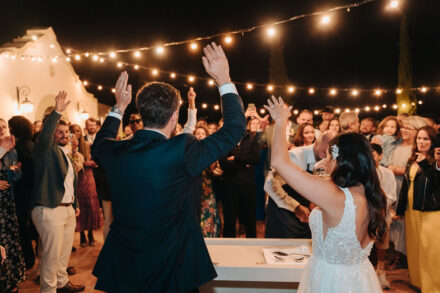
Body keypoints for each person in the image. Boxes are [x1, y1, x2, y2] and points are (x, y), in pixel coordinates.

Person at [91, 43, 246, 293]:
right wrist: (224, 79)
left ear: (141, 112)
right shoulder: (181, 150)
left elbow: (98, 144)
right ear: (174, 116)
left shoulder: (113, 151)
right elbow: (235, 129)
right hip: (172, 269)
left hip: (125, 268)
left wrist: (118, 107)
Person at [264, 96, 386, 292]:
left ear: (339, 160)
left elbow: (279, 162)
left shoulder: (334, 196)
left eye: (328, 156)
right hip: (361, 278)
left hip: (331, 280)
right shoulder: (373, 191)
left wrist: (280, 121)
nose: (325, 162)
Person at [31, 91, 85, 293]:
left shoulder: (66, 153)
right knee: (51, 257)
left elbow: (71, 183)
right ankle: (49, 290)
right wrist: (56, 112)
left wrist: (75, 206)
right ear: (51, 132)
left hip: (67, 209)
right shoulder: (44, 150)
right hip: (49, 209)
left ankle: (62, 284)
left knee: (63, 255)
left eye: (66, 132)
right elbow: (45, 137)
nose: (64, 135)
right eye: (59, 132)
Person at [264, 131, 336, 239]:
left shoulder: (329, 160)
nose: (326, 159)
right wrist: (295, 206)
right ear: (316, 144)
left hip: (306, 215)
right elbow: (270, 184)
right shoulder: (296, 156)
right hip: (283, 213)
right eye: (324, 153)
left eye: (330, 156)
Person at [396, 126, 440, 292]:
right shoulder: (412, 159)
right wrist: (400, 209)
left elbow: (436, 183)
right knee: (415, 250)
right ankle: (420, 282)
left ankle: (434, 286)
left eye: (426, 139)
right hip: (411, 211)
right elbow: (406, 185)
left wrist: (427, 164)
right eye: (419, 139)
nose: (421, 142)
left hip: (430, 212)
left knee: (431, 251)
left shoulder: (436, 160)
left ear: (433, 141)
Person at [387, 116, 427, 270]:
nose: (402, 130)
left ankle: (401, 256)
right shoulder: (394, 145)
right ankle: (395, 252)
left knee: (405, 222)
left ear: (417, 131)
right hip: (393, 188)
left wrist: (399, 170)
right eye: (402, 127)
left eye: (407, 128)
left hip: (408, 188)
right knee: (394, 221)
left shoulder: (417, 149)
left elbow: (419, 170)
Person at [219, 116, 261, 238]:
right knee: (229, 221)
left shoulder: (252, 139)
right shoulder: (225, 140)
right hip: (228, 186)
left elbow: (255, 159)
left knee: (249, 221)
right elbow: (223, 163)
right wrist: (244, 163)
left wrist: (235, 158)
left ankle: (252, 249)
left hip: (248, 186)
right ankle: (228, 251)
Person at [8, 116, 36, 270]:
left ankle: (27, 258)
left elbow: (22, 174)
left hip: (22, 193)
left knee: (22, 227)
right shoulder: (31, 145)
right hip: (30, 192)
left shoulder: (19, 149)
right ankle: (29, 257)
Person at [0, 131, 26, 293]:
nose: (1, 130)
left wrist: (16, 171)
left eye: (3, 127)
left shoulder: (12, 152)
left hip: (7, 202)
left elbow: (16, 178)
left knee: (9, 240)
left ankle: (10, 280)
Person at [69, 125, 102, 247]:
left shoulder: (86, 144)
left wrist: (87, 162)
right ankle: (82, 234)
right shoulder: (68, 146)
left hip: (88, 178)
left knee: (90, 206)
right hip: (77, 179)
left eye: (77, 131)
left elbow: (94, 160)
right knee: (80, 206)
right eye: (72, 131)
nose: (75, 133)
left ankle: (91, 234)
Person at [370, 143, 397, 289]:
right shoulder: (362, 172)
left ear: (380, 155)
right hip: (363, 215)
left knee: (382, 242)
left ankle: (381, 271)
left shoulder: (387, 173)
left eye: (373, 153)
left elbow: (392, 196)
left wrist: (379, 206)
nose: (370, 156)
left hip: (382, 213)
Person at [193, 126, 221, 237]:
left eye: (203, 133)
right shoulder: (190, 150)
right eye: (197, 133)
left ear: (207, 136)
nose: (200, 135)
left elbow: (213, 169)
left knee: (209, 211)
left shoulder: (210, 149)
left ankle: (208, 235)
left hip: (206, 187)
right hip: (193, 186)